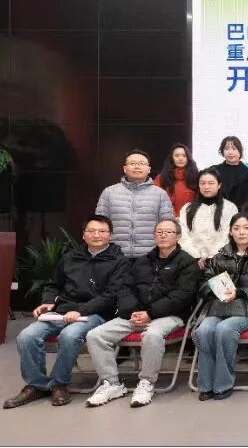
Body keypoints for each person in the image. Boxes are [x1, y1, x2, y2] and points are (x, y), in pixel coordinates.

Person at [4, 215, 129, 409]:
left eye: (102, 231)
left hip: (96, 313)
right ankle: (37, 385)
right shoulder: (71, 258)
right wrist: (48, 302)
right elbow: (53, 284)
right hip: (63, 311)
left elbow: (111, 296)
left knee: (69, 336)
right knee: (26, 336)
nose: (97, 235)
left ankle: (59, 384)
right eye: (91, 231)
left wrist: (81, 311)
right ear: (83, 235)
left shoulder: (119, 261)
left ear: (110, 235)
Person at [83, 219, 200, 408]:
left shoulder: (187, 263)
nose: (163, 235)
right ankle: (111, 384)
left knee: (152, 334)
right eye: (159, 232)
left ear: (178, 236)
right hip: (137, 314)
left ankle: (146, 382)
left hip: (170, 316)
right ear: (154, 236)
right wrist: (134, 311)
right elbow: (125, 288)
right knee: (95, 335)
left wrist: (150, 313)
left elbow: (182, 297)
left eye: (168, 232)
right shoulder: (142, 261)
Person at [193, 213, 248, 401]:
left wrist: (240, 293)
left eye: (246, 228)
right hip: (219, 307)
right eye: (236, 228)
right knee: (203, 330)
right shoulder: (220, 256)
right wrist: (218, 292)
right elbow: (204, 283)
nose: (241, 232)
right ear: (230, 231)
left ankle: (223, 384)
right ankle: (206, 385)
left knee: (225, 329)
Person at [96, 149, 175, 257]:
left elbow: (169, 227)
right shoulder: (109, 192)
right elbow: (99, 225)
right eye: (132, 163)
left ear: (149, 169)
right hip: (115, 256)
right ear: (125, 169)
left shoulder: (160, 194)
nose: (137, 167)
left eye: (141, 163)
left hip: (150, 257)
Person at [178, 168, 238, 269]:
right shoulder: (187, 208)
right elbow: (183, 235)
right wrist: (196, 257)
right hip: (192, 261)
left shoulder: (230, 208)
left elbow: (228, 235)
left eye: (211, 183)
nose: (206, 187)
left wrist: (211, 258)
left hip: (221, 261)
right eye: (203, 183)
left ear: (219, 185)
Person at [153, 143, 199, 217]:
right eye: (177, 155)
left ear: (188, 158)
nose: (180, 158)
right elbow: (156, 200)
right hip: (167, 219)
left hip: (191, 219)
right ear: (172, 158)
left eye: (184, 155)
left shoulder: (196, 177)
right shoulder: (161, 178)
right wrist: (172, 217)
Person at [213, 136, 248, 209]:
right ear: (222, 151)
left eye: (234, 149)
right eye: (226, 149)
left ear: (240, 151)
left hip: (243, 213)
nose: (230, 152)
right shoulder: (214, 171)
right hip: (218, 211)